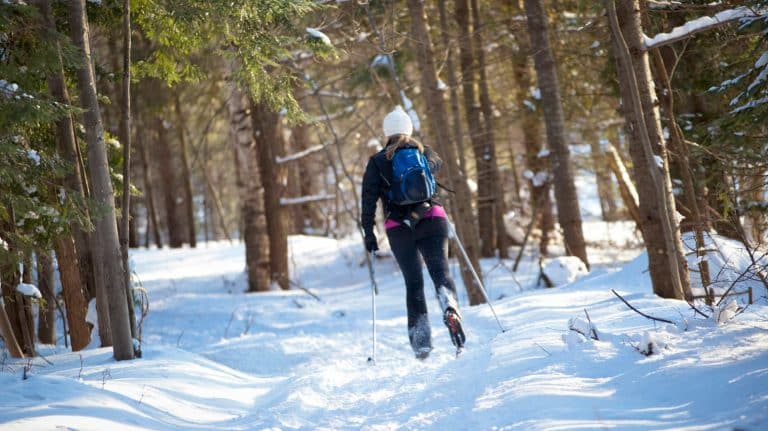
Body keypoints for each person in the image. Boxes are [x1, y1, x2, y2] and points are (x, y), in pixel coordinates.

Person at [360, 106, 466, 359]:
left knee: (414, 283)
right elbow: (436, 167)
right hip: (433, 218)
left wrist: (369, 233)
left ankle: (421, 344)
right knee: (440, 272)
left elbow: (368, 199)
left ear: (387, 132)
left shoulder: (377, 161)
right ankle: (449, 305)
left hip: (399, 227)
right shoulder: (426, 153)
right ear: (408, 129)